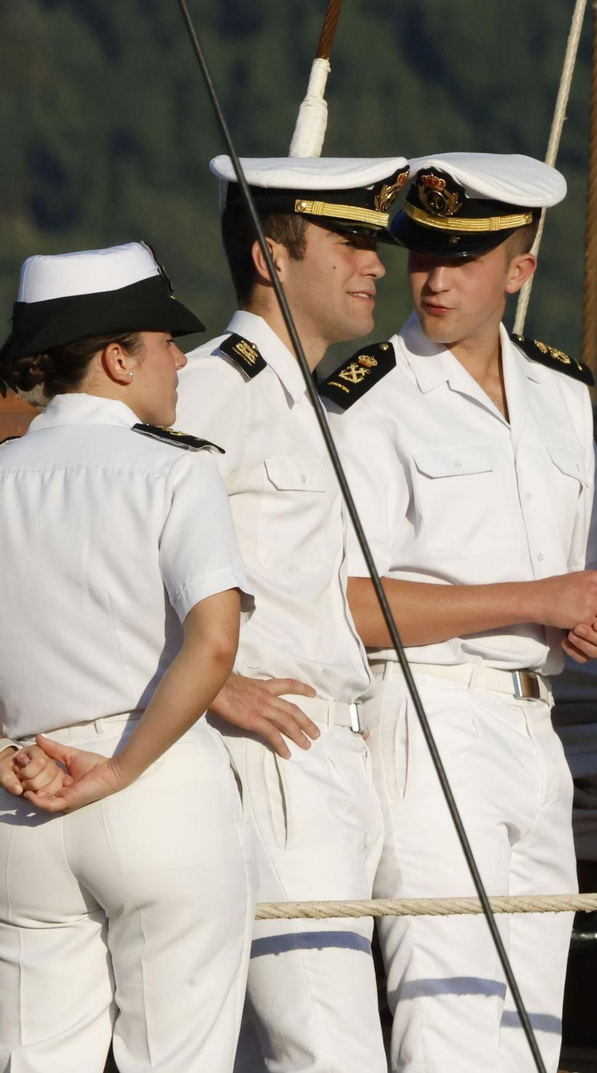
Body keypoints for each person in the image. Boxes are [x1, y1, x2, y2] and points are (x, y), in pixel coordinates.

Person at [325, 152, 597, 1073]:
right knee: (448, 1011)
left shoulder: (565, 396)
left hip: (540, 723)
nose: (434, 279)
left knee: (533, 1027)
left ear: (520, 271)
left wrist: (594, 616)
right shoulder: (368, 398)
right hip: (428, 713)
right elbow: (350, 603)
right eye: (422, 256)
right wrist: (536, 599)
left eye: (462, 258)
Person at [175, 154, 408, 1072]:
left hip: (330, 756)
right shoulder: (210, 389)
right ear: (274, 253)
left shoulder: (314, 407)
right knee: (333, 1051)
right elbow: (114, 553)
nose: (379, 265)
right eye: (352, 242)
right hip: (269, 760)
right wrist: (217, 686)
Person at [0, 242, 254, 1070]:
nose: (183, 357)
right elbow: (214, 644)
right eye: (165, 340)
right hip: (153, 784)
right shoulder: (177, 472)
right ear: (117, 358)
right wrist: (119, 767)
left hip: (21, 794)